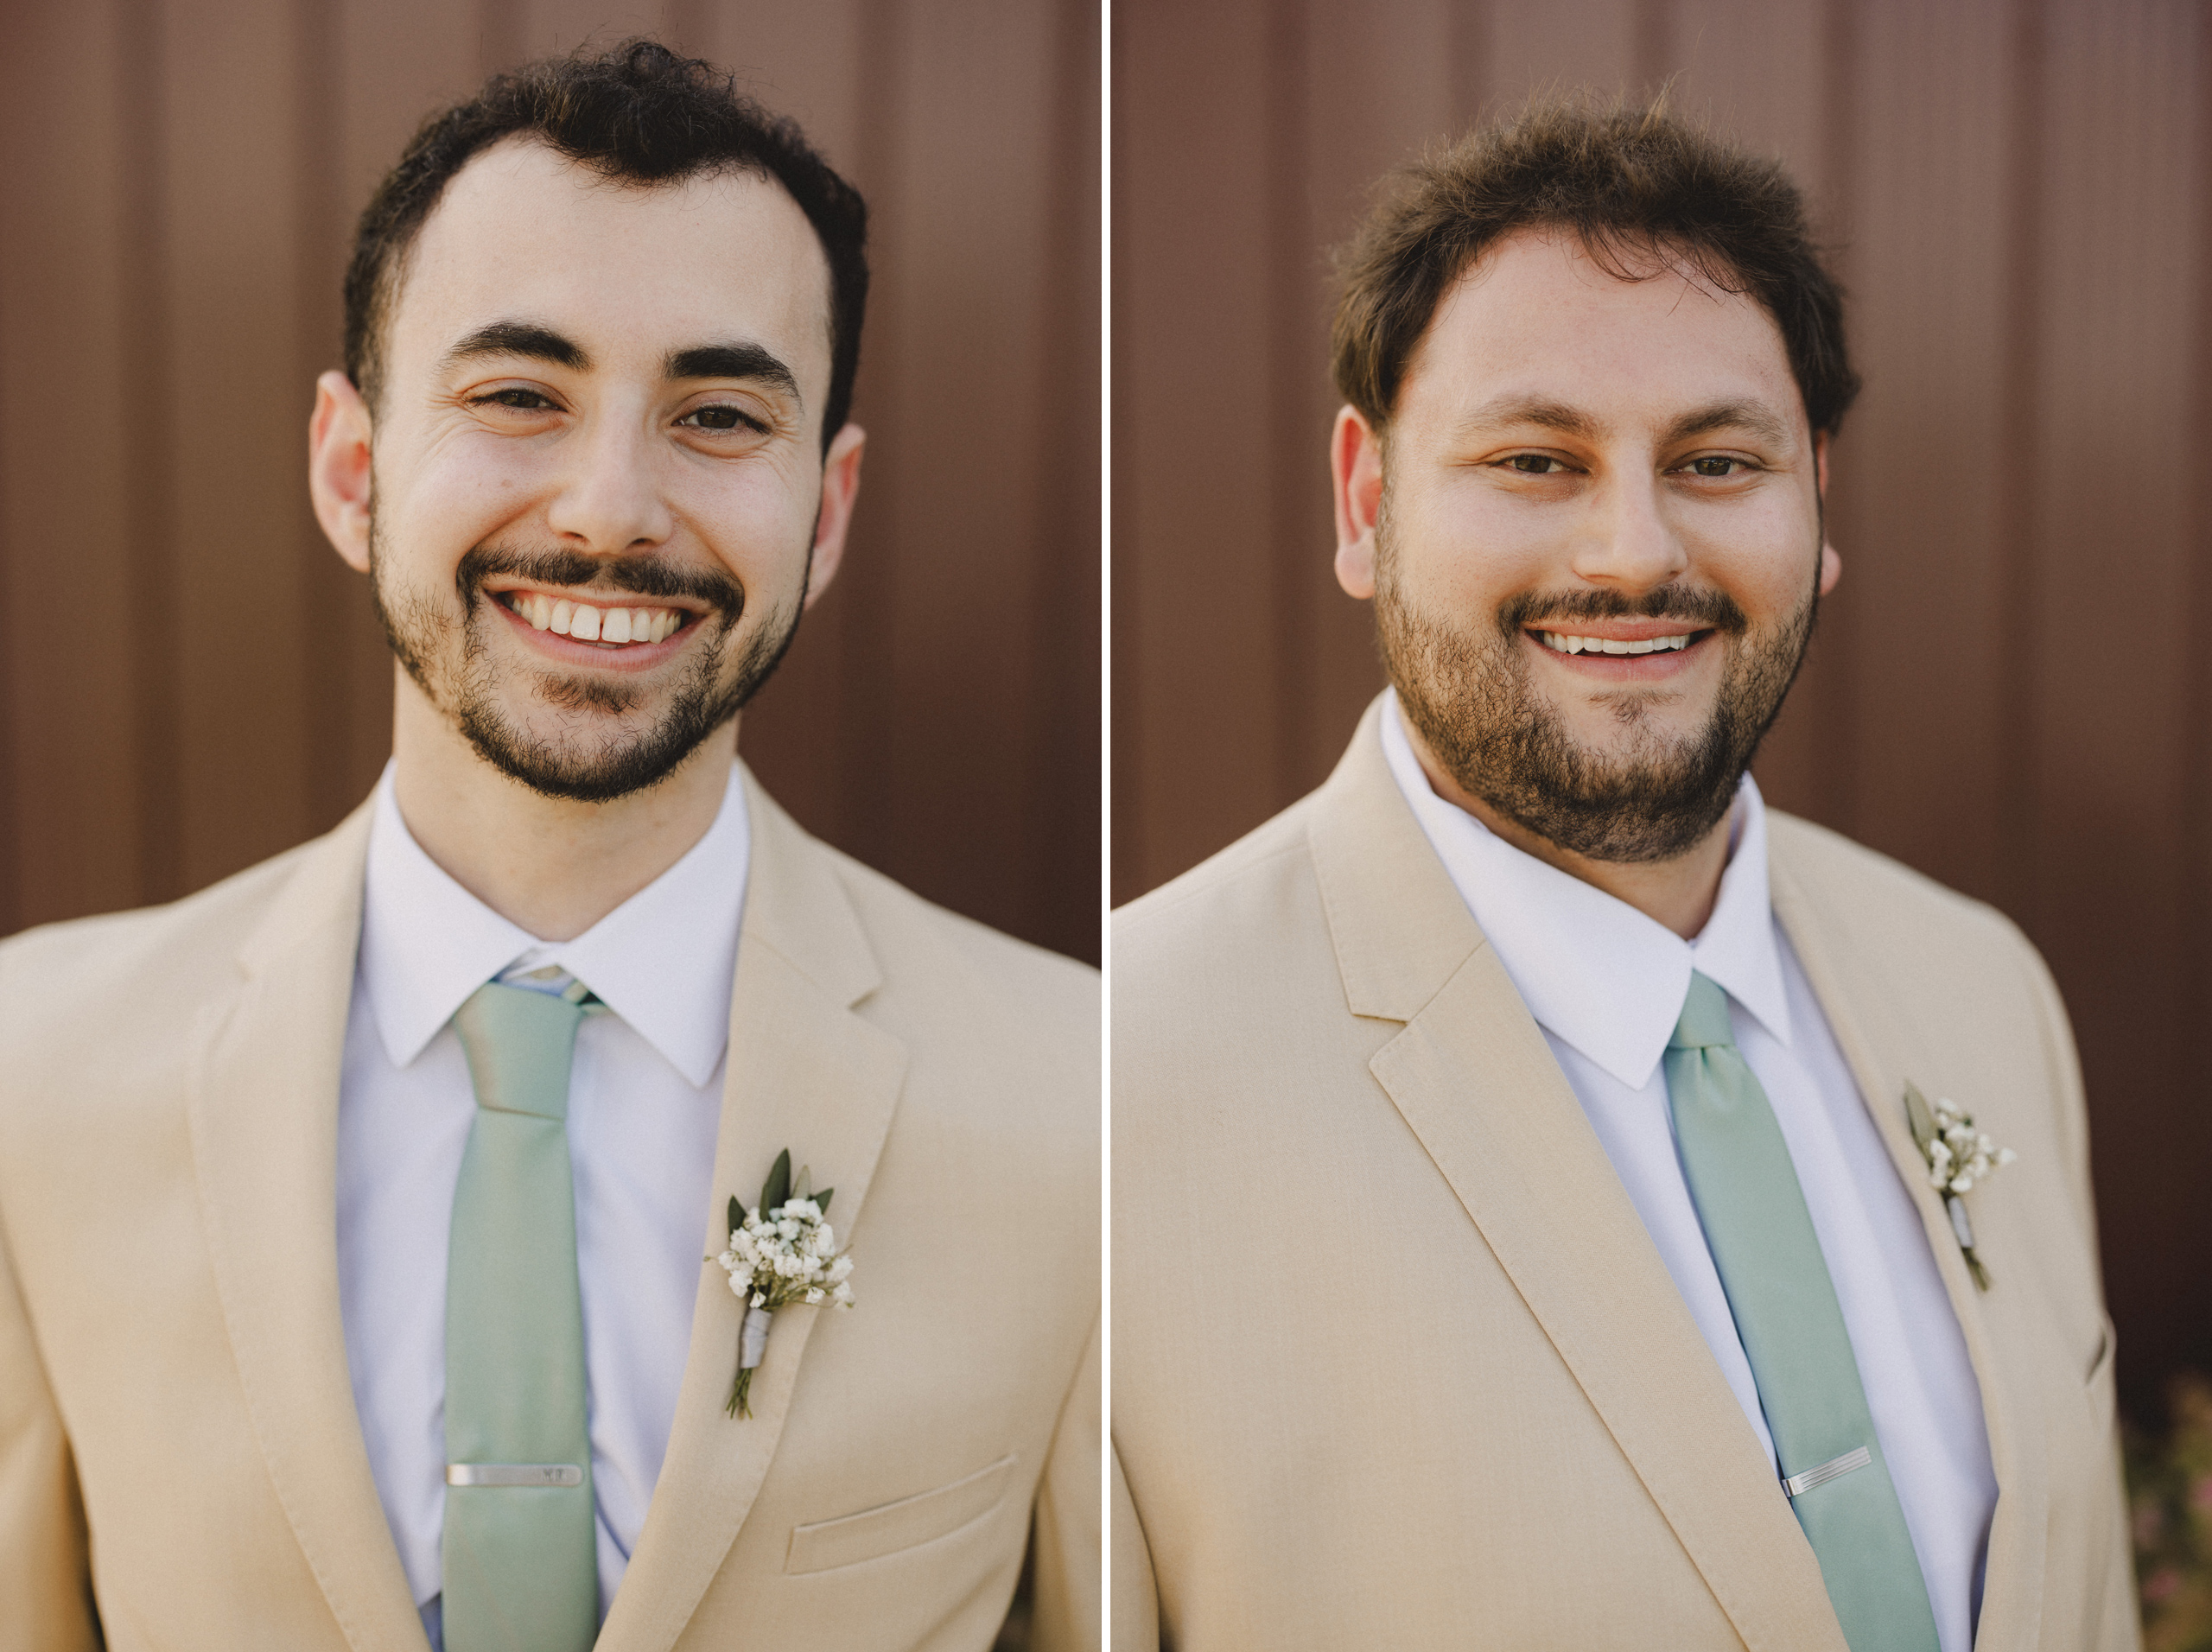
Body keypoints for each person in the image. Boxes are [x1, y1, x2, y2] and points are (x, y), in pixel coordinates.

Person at [0, 41, 1096, 1652]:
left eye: (720, 415)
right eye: (519, 396)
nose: (608, 509)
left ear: (829, 509)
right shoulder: (33, 1070)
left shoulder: (1076, 1101)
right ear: (352, 466)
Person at [1111, 97, 2132, 1652]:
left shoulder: (1984, 987)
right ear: (1366, 502)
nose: (1632, 555)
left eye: (1718, 461)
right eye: (1536, 458)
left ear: (1818, 501)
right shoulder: (1115, 1086)